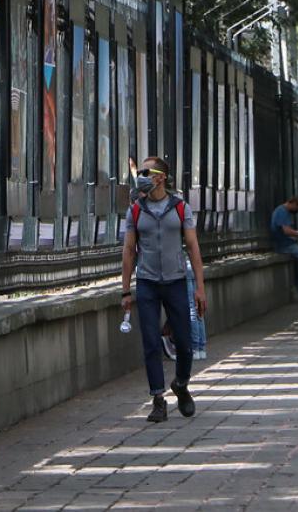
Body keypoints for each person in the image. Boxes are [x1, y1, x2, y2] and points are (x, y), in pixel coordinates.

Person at [122, 157, 208, 423]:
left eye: (147, 172)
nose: (142, 177)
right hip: (147, 282)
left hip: (176, 281)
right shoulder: (136, 210)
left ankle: (181, 384)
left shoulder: (180, 208)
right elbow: (128, 250)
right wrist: (125, 290)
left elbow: (193, 247)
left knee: (183, 342)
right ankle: (158, 399)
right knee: (150, 342)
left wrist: (200, 288)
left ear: (160, 177)